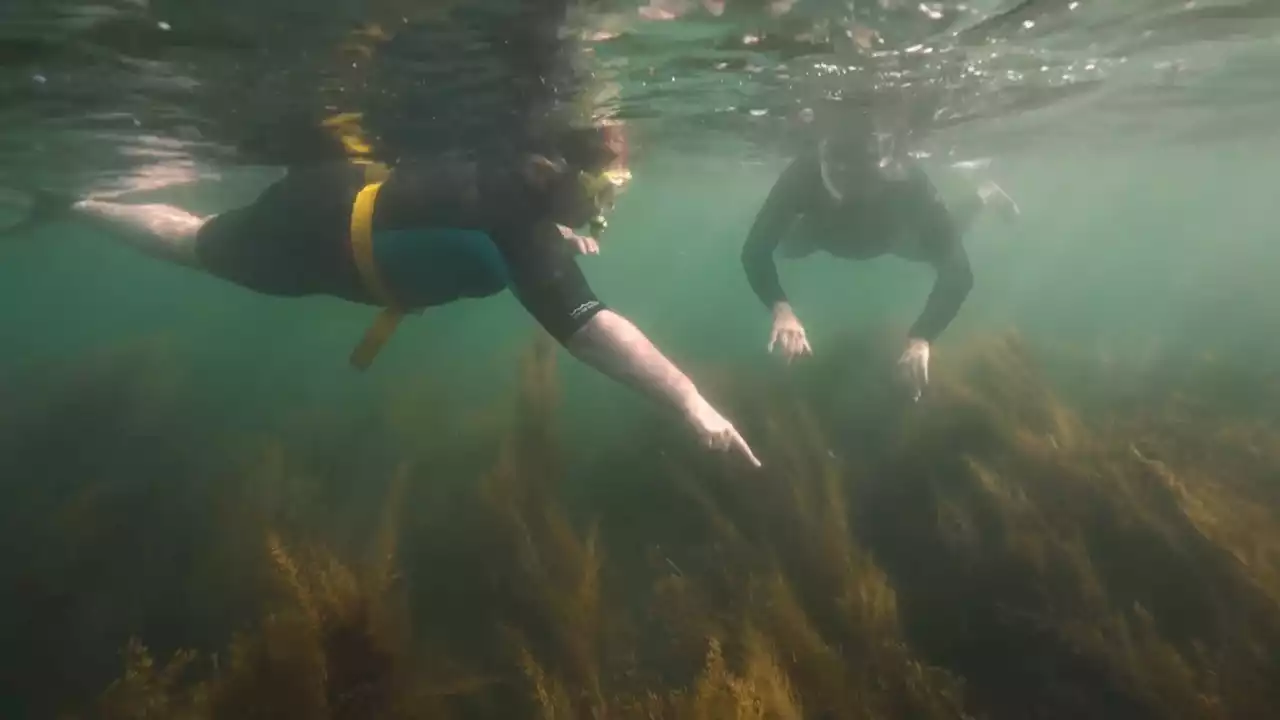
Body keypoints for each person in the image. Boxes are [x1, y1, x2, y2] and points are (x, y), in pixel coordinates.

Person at [4, 126, 761, 467]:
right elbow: (592, 329)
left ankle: (79, 204)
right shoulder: (517, 219)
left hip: (339, 210)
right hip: (310, 237)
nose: (610, 203)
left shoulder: (516, 186)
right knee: (189, 244)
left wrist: (561, 229)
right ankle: (80, 205)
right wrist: (691, 400)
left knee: (194, 239)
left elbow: (499, 215)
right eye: (607, 186)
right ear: (558, 167)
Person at [740, 115, 1018, 401]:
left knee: (938, 245)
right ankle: (982, 197)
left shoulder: (908, 179)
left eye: (864, 178)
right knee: (786, 248)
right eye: (844, 177)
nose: (854, 193)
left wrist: (922, 338)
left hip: (888, 232)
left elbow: (958, 271)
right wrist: (781, 310)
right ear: (823, 161)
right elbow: (755, 250)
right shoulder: (802, 174)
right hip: (820, 231)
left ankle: (984, 195)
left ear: (884, 165)